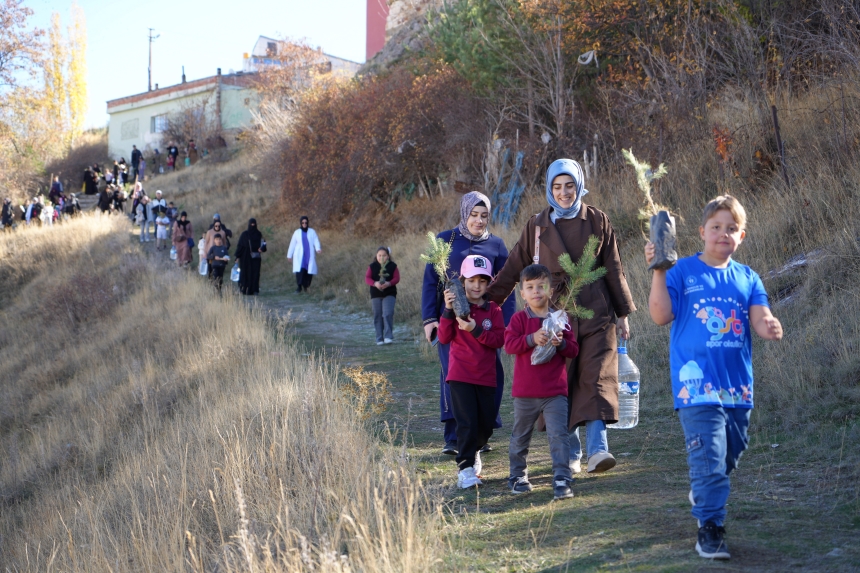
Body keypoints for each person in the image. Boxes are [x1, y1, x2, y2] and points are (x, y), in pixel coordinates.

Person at [644, 195, 782, 560]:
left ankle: (705, 489)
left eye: (732, 228)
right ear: (702, 231)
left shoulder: (748, 277)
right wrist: (658, 269)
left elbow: (759, 315)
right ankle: (710, 528)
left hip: (738, 388)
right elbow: (659, 315)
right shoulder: (682, 270)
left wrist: (769, 324)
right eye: (716, 227)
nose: (724, 233)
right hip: (696, 388)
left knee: (728, 455)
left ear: (742, 236)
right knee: (710, 461)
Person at [487, 159, 636, 475]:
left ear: (579, 185)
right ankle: (570, 453)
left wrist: (623, 312)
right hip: (554, 317)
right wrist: (486, 303)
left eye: (570, 185)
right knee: (562, 383)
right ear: (549, 189)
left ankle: (598, 450)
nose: (564, 192)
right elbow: (514, 267)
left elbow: (613, 267)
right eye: (557, 186)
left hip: (596, 311)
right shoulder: (537, 226)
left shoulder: (597, 220)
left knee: (596, 377)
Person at [421, 191, 516, 456]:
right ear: (464, 214)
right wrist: (429, 319)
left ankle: (482, 432)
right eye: (474, 214)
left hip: (486, 323)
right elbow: (431, 282)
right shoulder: (446, 240)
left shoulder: (496, 245)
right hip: (450, 321)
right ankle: (454, 437)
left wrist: (508, 324)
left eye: (484, 215)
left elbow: (507, 288)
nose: (479, 220)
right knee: (453, 375)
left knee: (490, 374)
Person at [504, 263, 580, 499]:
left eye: (541, 286)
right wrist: (531, 339)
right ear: (522, 293)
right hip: (525, 393)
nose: (536, 291)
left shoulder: (559, 318)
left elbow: (574, 350)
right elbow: (510, 345)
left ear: (550, 290)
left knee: (559, 435)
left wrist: (562, 343)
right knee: (521, 435)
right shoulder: (519, 319)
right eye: (530, 287)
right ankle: (517, 476)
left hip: (555, 392)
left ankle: (562, 478)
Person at [437, 255, 505, 489]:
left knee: (485, 425)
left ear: (488, 283)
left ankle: (474, 450)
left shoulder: (493, 309)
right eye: (472, 280)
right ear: (463, 281)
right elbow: (443, 337)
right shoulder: (456, 308)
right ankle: (465, 469)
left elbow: (499, 340)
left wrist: (476, 329)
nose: (477, 286)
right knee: (466, 422)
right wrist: (448, 310)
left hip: (486, 376)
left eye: (482, 281)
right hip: (460, 375)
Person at [365, 247, 400, 345]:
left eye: (384, 255)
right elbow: (367, 278)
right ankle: (379, 338)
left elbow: (397, 278)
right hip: (375, 294)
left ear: (388, 256)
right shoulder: (372, 266)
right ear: (376, 256)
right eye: (379, 255)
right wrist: (374, 283)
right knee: (377, 315)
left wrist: (389, 283)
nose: (381, 257)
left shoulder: (393, 266)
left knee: (387, 313)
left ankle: (388, 336)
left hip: (389, 293)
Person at [287, 216, 321, 293]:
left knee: (309, 271)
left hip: (309, 254)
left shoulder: (312, 231)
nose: (304, 224)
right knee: (300, 271)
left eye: (306, 222)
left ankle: (306, 287)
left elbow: (316, 240)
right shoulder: (297, 232)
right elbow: (292, 244)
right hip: (300, 255)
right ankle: (299, 287)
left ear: (307, 223)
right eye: (303, 222)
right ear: (301, 223)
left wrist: (318, 248)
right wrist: (289, 255)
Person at [234, 218, 267, 295]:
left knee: (255, 273)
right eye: (251, 224)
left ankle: (254, 289)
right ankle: (244, 289)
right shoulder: (244, 234)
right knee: (245, 272)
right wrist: (237, 256)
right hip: (245, 257)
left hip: (255, 257)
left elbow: (263, 243)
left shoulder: (258, 234)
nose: (252, 225)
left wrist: (262, 249)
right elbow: (240, 246)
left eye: (254, 224)